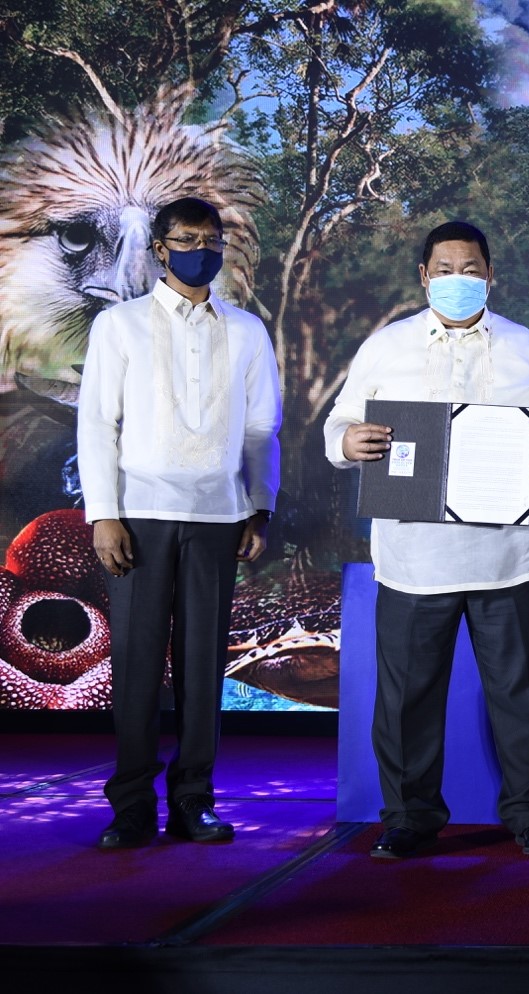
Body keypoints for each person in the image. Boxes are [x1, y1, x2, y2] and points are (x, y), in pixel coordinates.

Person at [325, 221, 529, 859]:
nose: (458, 280)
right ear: (423, 275)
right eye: (445, 268)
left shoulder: (526, 347)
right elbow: (341, 423)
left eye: (471, 269)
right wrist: (348, 443)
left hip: (507, 553)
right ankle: (409, 816)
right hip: (413, 555)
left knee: (520, 695)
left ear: (490, 276)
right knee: (407, 696)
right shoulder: (388, 346)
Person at [78, 196, 282, 849]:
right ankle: (132, 804)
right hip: (139, 513)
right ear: (160, 249)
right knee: (137, 665)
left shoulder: (247, 330)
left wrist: (260, 504)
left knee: (202, 665)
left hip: (218, 514)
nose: (202, 248)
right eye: (187, 238)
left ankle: (194, 798)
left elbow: (261, 429)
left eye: (211, 237)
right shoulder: (120, 325)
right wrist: (104, 514)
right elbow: (96, 424)